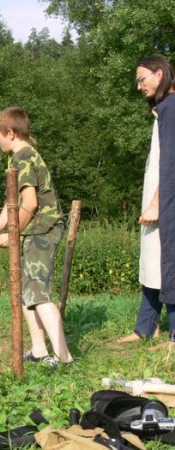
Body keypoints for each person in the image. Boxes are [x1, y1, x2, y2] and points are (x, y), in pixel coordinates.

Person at [0, 107, 73, 367]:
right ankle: (39, 350)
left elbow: (30, 203)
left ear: (10, 133)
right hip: (33, 230)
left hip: (42, 230)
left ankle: (65, 358)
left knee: (38, 293)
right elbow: (12, 202)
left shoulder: (24, 157)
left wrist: (12, 236)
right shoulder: (18, 158)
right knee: (27, 292)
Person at [118, 56, 175, 348]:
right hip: (159, 200)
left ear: (159, 73)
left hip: (167, 202)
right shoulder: (163, 108)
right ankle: (146, 327)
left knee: (169, 261)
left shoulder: (172, 108)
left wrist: (157, 203)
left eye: (142, 79)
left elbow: (172, 163)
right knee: (152, 261)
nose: (139, 86)